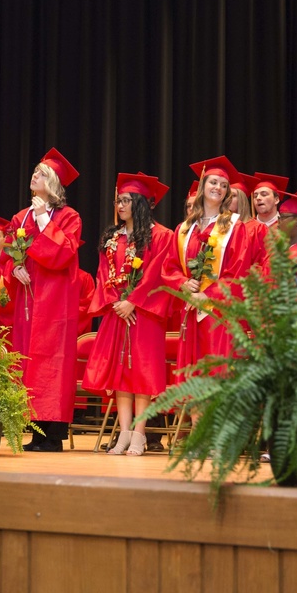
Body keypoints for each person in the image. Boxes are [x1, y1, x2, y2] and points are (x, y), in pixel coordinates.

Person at [83, 173, 174, 456]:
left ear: (139, 203)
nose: (119, 205)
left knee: (142, 373)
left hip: (144, 313)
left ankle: (139, 433)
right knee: (120, 373)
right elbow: (103, 273)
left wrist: (132, 302)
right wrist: (115, 302)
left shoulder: (162, 235)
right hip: (117, 312)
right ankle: (123, 433)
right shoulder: (112, 237)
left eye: (124, 200)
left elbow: (157, 272)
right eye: (118, 200)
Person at [8, 148, 82, 453]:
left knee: (54, 365)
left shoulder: (69, 217)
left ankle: (53, 437)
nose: (33, 176)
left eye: (39, 173)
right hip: (29, 300)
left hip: (56, 301)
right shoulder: (19, 217)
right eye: (34, 172)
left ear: (51, 181)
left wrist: (42, 218)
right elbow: (14, 251)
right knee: (30, 364)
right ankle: (35, 432)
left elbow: (64, 253)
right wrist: (16, 266)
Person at [161, 156, 250, 387]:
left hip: (217, 313)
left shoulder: (234, 227)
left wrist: (207, 295)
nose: (218, 188)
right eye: (213, 182)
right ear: (202, 186)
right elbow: (169, 266)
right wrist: (182, 283)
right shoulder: (185, 228)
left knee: (216, 372)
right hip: (190, 311)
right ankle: (196, 424)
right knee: (193, 376)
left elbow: (238, 272)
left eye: (223, 185)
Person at [230, 173, 269, 272]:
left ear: (242, 200)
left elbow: (264, 263)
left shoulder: (258, 228)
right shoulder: (219, 227)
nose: (228, 199)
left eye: (233, 196)